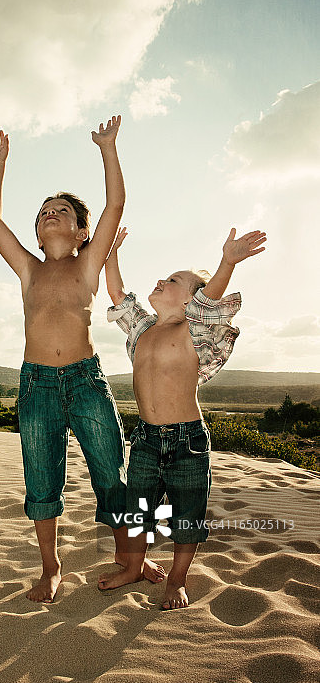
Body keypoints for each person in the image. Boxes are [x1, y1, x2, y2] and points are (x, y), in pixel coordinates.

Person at [0, 116, 165, 603]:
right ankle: (50, 567)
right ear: (37, 236)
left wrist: (108, 148)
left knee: (111, 472)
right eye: (43, 212)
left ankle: (134, 559)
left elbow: (115, 204)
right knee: (40, 477)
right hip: (36, 385)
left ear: (83, 233)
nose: (49, 214)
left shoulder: (87, 265)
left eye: (61, 210)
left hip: (86, 382)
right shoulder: (28, 267)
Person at [99, 225, 266, 608]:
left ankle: (177, 580)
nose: (160, 280)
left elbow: (209, 300)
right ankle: (134, 567)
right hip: (145, 439)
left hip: (187, 440)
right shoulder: (142, 329)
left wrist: (227, 262)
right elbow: (116, 293)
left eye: (173, 280)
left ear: (189, 301)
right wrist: (111, 251)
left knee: (186, 516)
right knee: (137, 510)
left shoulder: (193, 331)